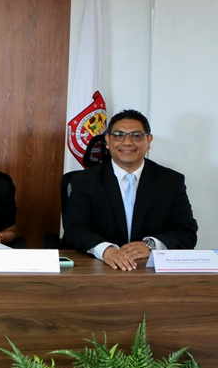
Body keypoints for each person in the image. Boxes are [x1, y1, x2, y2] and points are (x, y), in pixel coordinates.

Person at [63, 109, 197, 270]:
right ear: (107, 140)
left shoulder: (171, 182)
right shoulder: (85, 181)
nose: (127, 142)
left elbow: (186, 232)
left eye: (136, 135)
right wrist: (105, 250)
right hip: (99, 268)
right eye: (118, 135)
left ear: (149, 140)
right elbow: (74, 230)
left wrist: (151, 245)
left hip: (150, 271)